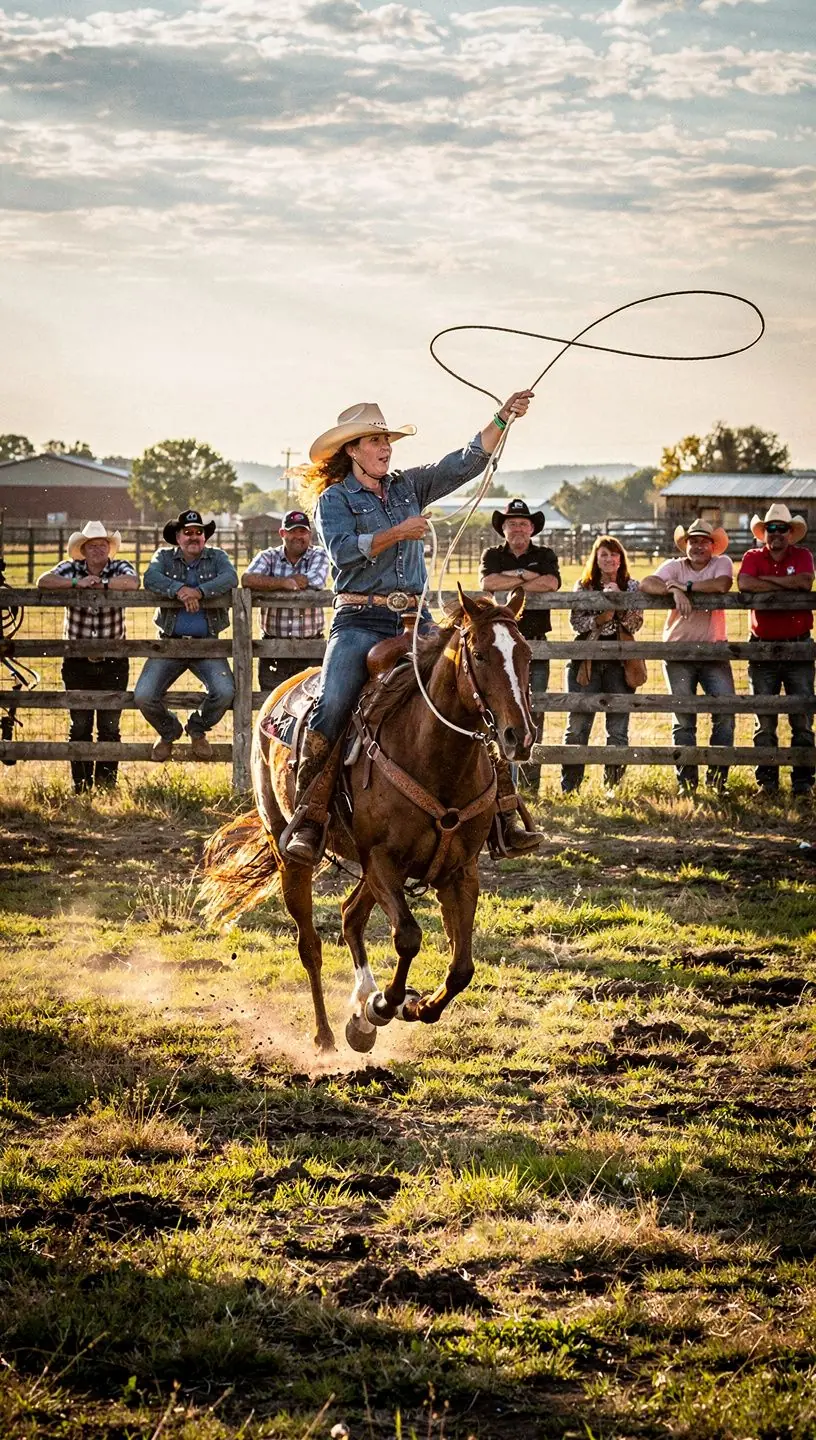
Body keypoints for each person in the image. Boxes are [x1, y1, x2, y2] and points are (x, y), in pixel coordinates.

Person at [284, 392, 536, 863]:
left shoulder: (406, 488)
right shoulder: (334, 499)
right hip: (360, 617)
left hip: (416, 618)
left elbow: (462, 463)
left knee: (474, 687)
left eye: (386, 439)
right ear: (352, 450)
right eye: (375, 440)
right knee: (334, 701)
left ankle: (502, 812)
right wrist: (398, 533)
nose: (385, 447)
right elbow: (341, 553)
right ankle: (311, 815)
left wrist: (502, 418)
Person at [37, 520, 139, 793]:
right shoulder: (71, 568)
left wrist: (102, 584)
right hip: (77, 660)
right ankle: (80, 785)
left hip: (113, 659)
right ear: (83, 549)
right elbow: (43, 581)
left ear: (109, 548)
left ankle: (106, 786)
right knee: (79, 724)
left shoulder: (119, 567)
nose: (97, 550)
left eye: (102, 545)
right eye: (92, 545)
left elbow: (133, 582)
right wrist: (75, 583)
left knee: (109, 725)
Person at [135, 509, 238, 761]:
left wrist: (200, 592)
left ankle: (197, 728)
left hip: (208, 644)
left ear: (205, 536)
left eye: (199, 532)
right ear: (178, 537)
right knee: (144, 695)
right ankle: (169, 732)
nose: (194, 536)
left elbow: (231, 578)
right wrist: (179, 590)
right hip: (170, 643)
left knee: (225, 691)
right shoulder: (164, 557)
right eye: (188, 532)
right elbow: (150, 578)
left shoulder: (217, 557)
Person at [641, 518, 734, 795]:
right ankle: (687, 784)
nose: (698, 546)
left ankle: (718, 782)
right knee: (683, 718)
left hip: (713, 652)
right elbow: (647, 583)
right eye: (693, 541)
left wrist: (686, 587)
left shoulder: (722, 563)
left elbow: (722, 585)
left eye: (704, 541)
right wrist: (671, 588)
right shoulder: (674, 566)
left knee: (725, 713)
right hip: (678, 652)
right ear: (686, 544)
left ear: (713, 545)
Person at [480, 497, 561, 791]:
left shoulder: (546, 553)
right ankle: (497, 780)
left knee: (533, 708)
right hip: (500, 649)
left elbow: (551, 583)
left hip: (533, 643)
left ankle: (530, 783)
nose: (517, 528)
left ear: (531, 529)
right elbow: (489, 582)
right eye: (511, 523)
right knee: (499, 708)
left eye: (522, 524)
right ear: (503, 528)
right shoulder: (493, 554)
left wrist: (512, 581)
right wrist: (526, 576)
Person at [737, 503, 815, 795]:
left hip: (798, 647)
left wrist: (766, 582)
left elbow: (805, 582)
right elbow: (744, 583)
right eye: (771, 528)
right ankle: (767, 782)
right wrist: (785, 585)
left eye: (781, 528)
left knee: (802, 717)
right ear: (764, 532)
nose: (776, 534)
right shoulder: (752, 556)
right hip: (763, 648)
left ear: (791, 532)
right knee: (764, 720)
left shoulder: (803, 555)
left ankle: (803, 782)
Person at [561, 535, 642, 795]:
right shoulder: (584, 586)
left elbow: (635, 623)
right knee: (577, 726)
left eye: (614, 554)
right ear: (596, 559)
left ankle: (613, 787)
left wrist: (618, 604)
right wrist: (599, 618)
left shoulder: (631, 586)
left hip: (619, 662)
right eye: (603, 554)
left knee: (617, 728)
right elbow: (577, 622)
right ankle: (570, 787)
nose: (609, 559)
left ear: (621, 559)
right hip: (588, 660)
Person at [241, 509, 330, 692]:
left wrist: (269, 583)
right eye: (292, 531)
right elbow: (247, 579)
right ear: (282, 533)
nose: (298, 536)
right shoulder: (268, 556)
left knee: (312, 704)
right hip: (273, 647)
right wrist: (284, 583)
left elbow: (316, 580)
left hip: (310, 647)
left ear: (309, 534)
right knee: (271, 701)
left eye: (302, 531)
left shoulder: (318, 554)